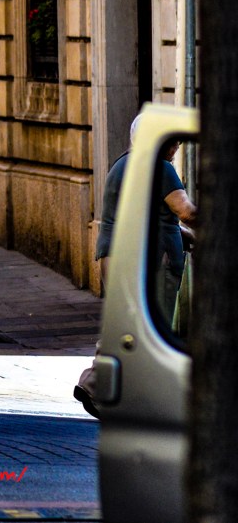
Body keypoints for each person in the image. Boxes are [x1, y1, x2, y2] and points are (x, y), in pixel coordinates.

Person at [74, 113, 197, 418]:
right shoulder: (160, 168)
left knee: (128, 324)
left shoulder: (123, 164)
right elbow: (185, 211)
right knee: (151, 329)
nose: (177, 145)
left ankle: (97, 384)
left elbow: (150, 215)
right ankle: (122, 391)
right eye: (172, 140)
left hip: (117, 256)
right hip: (150, 262)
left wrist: (185, 238)